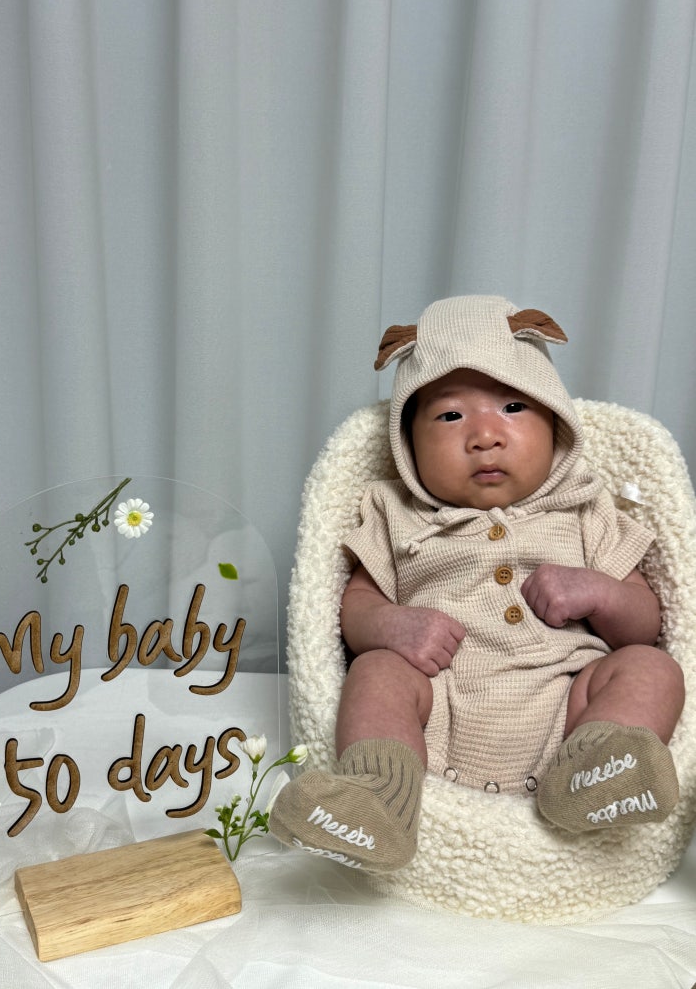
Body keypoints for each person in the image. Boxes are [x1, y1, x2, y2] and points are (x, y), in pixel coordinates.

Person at [269, 295, 685, 872]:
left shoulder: (585, 508)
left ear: (556, 422)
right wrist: (392, 625)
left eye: (513, 406)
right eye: (449, 416)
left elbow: (645, 623)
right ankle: (378, 796)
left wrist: (599, 592)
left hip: (568, 709)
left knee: (651, 667)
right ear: (406, 444)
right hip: (439, 705)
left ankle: (599, 770)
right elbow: (354, 605)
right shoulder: (396, 512)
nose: (485, 436)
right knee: (377, 672)